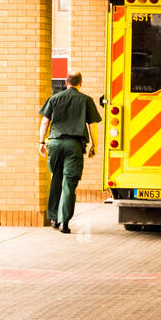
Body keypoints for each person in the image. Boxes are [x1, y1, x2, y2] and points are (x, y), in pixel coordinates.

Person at [37, 70, 102, 234]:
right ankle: (64, 222)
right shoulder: (86, 100)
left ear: (66, 82)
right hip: (74, 145)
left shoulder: (54, 98)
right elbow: (92, 125)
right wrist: (95, 145)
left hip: (55, 143)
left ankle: (53, 218)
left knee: (56, 179)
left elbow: (45, 121)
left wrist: (41, 142)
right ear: (81, 83)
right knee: (69, 183)